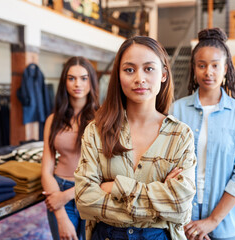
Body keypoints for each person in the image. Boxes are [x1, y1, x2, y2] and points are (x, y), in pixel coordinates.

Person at [74, 36, 197, 240]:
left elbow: (181, 208)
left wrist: (117, 187)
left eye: (148, 68)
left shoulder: (180, 135)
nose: (139, 78)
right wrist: (159, 206)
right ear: (118, 76)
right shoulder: (96, 130)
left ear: (164, 74)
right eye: (129, 70)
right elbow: (84, 199)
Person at [171, 28, 235, 240]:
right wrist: (186, 222)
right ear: (194, 68)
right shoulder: (176, 111)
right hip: (183, 223)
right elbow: (166, 166)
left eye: (215, 65)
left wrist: (212, 221)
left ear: (226, 68)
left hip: (227, 225)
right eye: (202, 65)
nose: (208, 72)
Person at [41, 56, 99, 240]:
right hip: (59, 187)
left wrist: (66, 196)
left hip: (92, 191)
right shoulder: (53, 120)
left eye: (84, 78)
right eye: (71, 78)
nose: (77, 84)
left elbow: (106, 171)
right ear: (64, 82)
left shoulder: (102, 119)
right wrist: (59, 211)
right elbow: (46, 170)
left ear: (91, 81)